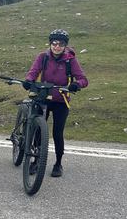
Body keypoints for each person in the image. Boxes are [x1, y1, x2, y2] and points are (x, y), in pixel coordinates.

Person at [23, 29, 88, 177]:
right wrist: (29, 81)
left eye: (61, 44)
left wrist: (76, 85)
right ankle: (35, 161)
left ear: (65, 45)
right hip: (43, 97)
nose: (57, 46)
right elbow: (33, 71)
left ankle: (58, 164)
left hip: (61, 100)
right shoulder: (43, 57)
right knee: (38, 130)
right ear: (50, 43)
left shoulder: (70, 60)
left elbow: (83, 79)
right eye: (54, 43)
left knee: (57, 133)